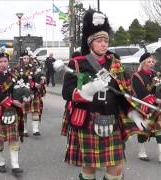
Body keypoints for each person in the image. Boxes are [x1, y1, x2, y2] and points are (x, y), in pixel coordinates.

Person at [62, 9, 145, 180]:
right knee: (89, 169)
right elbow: (66, 92)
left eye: (106, 40)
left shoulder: (115, 63)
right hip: (87, 122)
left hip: (111, 120)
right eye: (99, 41)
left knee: (117, 167)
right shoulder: (78, 63)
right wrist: (87, 90)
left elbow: (123, 93)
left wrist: (133, 113)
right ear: (90, 42)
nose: (104, 44)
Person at [0, 52, 24, 176]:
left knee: (13, 138)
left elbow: (17, 89)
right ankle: (0, 162)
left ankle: (15, 165)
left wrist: (23, 97)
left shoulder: (12, 75)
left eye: (5, 61)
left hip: (10, 110)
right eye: (0, 62)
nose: (3, 64)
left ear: (8, 62)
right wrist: (13, 101)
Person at [132, 52, 161, 164]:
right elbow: (141, 93)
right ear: (143, 63)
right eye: (148, 61)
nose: (151, 63)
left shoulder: (155, 74)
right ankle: (141, 151)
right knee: (143, 129)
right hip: (144, 106)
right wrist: (154, 100)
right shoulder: (137, 76)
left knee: (159, 127)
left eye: (152, 61)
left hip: (157, 106)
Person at [16, 52, 46, 136]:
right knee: (24, 112)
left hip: (34, 92)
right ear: (22, 59)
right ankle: (24, 130)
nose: (26, 60)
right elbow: (16, 80)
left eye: (27, 58)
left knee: (35, 110)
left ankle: (35, 129)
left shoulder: (34, 68)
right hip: (23, 92)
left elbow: (40, 76)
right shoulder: (17, 68)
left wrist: (41, 81)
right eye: (24, 58)